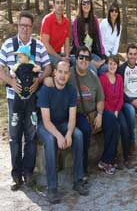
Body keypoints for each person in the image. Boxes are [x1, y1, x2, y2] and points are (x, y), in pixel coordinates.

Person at [0, 11, 51, 191]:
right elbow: (1, 69)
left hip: (31, 100)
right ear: (18, 26)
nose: (25, 29)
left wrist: (39, 80)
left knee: (30, 135)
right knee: (15, 137)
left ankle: (28, 173)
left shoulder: (38, 46)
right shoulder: (8, 45)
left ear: (32, 28)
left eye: (28, 26)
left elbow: (48, 67)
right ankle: (16, 175)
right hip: (14, 99)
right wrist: (11, 82)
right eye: (22, 25)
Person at [37, 61, 88, 204]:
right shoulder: (46, 90)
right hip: (45, 125)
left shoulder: (71, 90)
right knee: (50, 140)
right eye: (60, 71)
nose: (62, 75)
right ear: (54, 72)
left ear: (69, 75)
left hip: (63, 123)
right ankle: (52, 188)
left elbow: (72, 117)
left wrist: (69, 133)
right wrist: (59, 136)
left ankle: (78, 180)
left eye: (66, 73)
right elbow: (46, 121)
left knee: (78, 135)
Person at [69, 46, 105, 178]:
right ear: (76, 59)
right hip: (75, 113)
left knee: (112, 120)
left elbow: (101, 99)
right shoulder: (69, 74)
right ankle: (82, 169)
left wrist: (100, 114)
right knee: (84, 130)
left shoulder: (93, 76)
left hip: (92, 113)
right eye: (81, 57)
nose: (84, 60)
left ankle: (108, 160)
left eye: (87, 58)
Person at [99, 55, 134, 173]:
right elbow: (102, 98)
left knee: (125, 127)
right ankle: (110, 159)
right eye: (110, 63)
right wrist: (110, 112)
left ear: (117, 65)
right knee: (116, 127)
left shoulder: (119, 78)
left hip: (117, 110)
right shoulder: (102, 78)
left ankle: (126, 156)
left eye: (114, 64)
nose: (112, 66)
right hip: (106, 111)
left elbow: (120, 97)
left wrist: (116, 111)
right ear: (107, 65)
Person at [72, 0, 107, 74]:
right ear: (80, 5)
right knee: (93, 70)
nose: (86, 5)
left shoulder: (94, 20)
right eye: (84, 3)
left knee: (105, 68)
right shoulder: (76, 21)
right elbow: (78, 45)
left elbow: (99, 39)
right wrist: (90, 60)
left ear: (91, 4)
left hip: (92, 53)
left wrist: (103, 56)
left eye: (88, 2)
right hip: (79, 55)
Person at [9, 46, 41, 133]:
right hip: (20, 90)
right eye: (17, 57)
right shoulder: (17, 65)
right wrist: (12, 74)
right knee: (16, 102)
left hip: (30, 89)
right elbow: (11, 70)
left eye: (20, 56)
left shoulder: (32, 63)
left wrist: (36, 69)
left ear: (26, 56)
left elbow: (39, 68)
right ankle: (15, 115)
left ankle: (33, 114)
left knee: (33, 101)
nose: (18, 58)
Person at [40, 0, 71, 64]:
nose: (60, 5)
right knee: (62, 65)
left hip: (59, 54)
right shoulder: (47, 20)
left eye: (62, 3)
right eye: (57, 3)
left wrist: (67, 57)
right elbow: (45, 44)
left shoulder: (66, 22)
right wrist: (60, 58)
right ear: (53, 5)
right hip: (45, 54)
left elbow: (66, 43)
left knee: (75, 61)